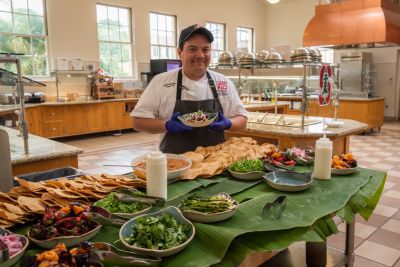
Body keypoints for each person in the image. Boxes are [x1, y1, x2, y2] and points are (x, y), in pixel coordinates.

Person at [131, 24, 248, 154]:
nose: (200, 55)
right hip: (174, 162)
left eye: (205, 50)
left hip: (216, 161)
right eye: (192, 49)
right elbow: (138, 122)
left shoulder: (223, 82)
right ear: (180, 52)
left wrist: (229, 123)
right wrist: (166, 125)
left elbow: (242, 120)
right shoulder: (161, 81)